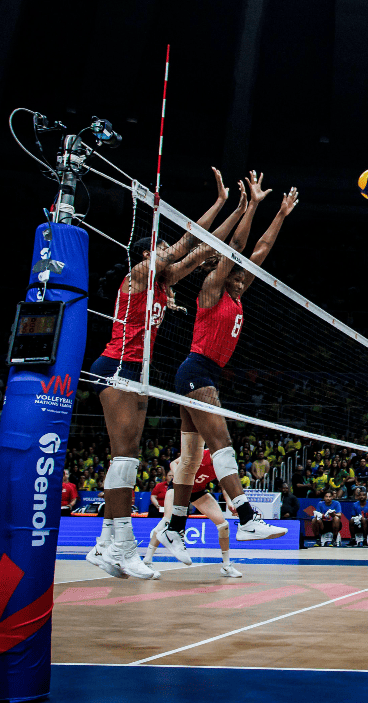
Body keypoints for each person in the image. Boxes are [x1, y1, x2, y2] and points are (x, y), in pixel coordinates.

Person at [85, 167, 241, 581]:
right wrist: (217, 203)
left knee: (125, 459)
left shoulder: (163, 282)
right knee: (126, 459)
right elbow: (186, 242)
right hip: (117, 366)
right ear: (145, 255)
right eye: (162, 248)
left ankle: (105, 544)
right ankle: (122, 547)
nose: (170, 251)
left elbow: (200, 248)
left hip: (136, 371)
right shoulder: (136, 276)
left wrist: (229, 207)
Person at [162, 175, 297, 565]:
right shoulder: (211, 288)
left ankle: (173, 529)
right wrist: (250, 205)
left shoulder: (239, 290)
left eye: (243, 277)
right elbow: (235, 248)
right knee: (222, 442)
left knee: (190, 460)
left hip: (202, 374)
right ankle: (246, 517)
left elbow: (260, 249)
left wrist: (281, 214)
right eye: (235, 274)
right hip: (196, 370)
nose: (241, 279)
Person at [144, 451, 242, 578]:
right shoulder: (201, 453)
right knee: (167, 521)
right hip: (179, 487)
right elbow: (174, 463)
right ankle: (147, 561)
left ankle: (226, 566)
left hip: (197, 491)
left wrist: (229, 502)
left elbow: (224, 486)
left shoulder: (222, 465)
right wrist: (177, 475)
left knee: (223, 525)